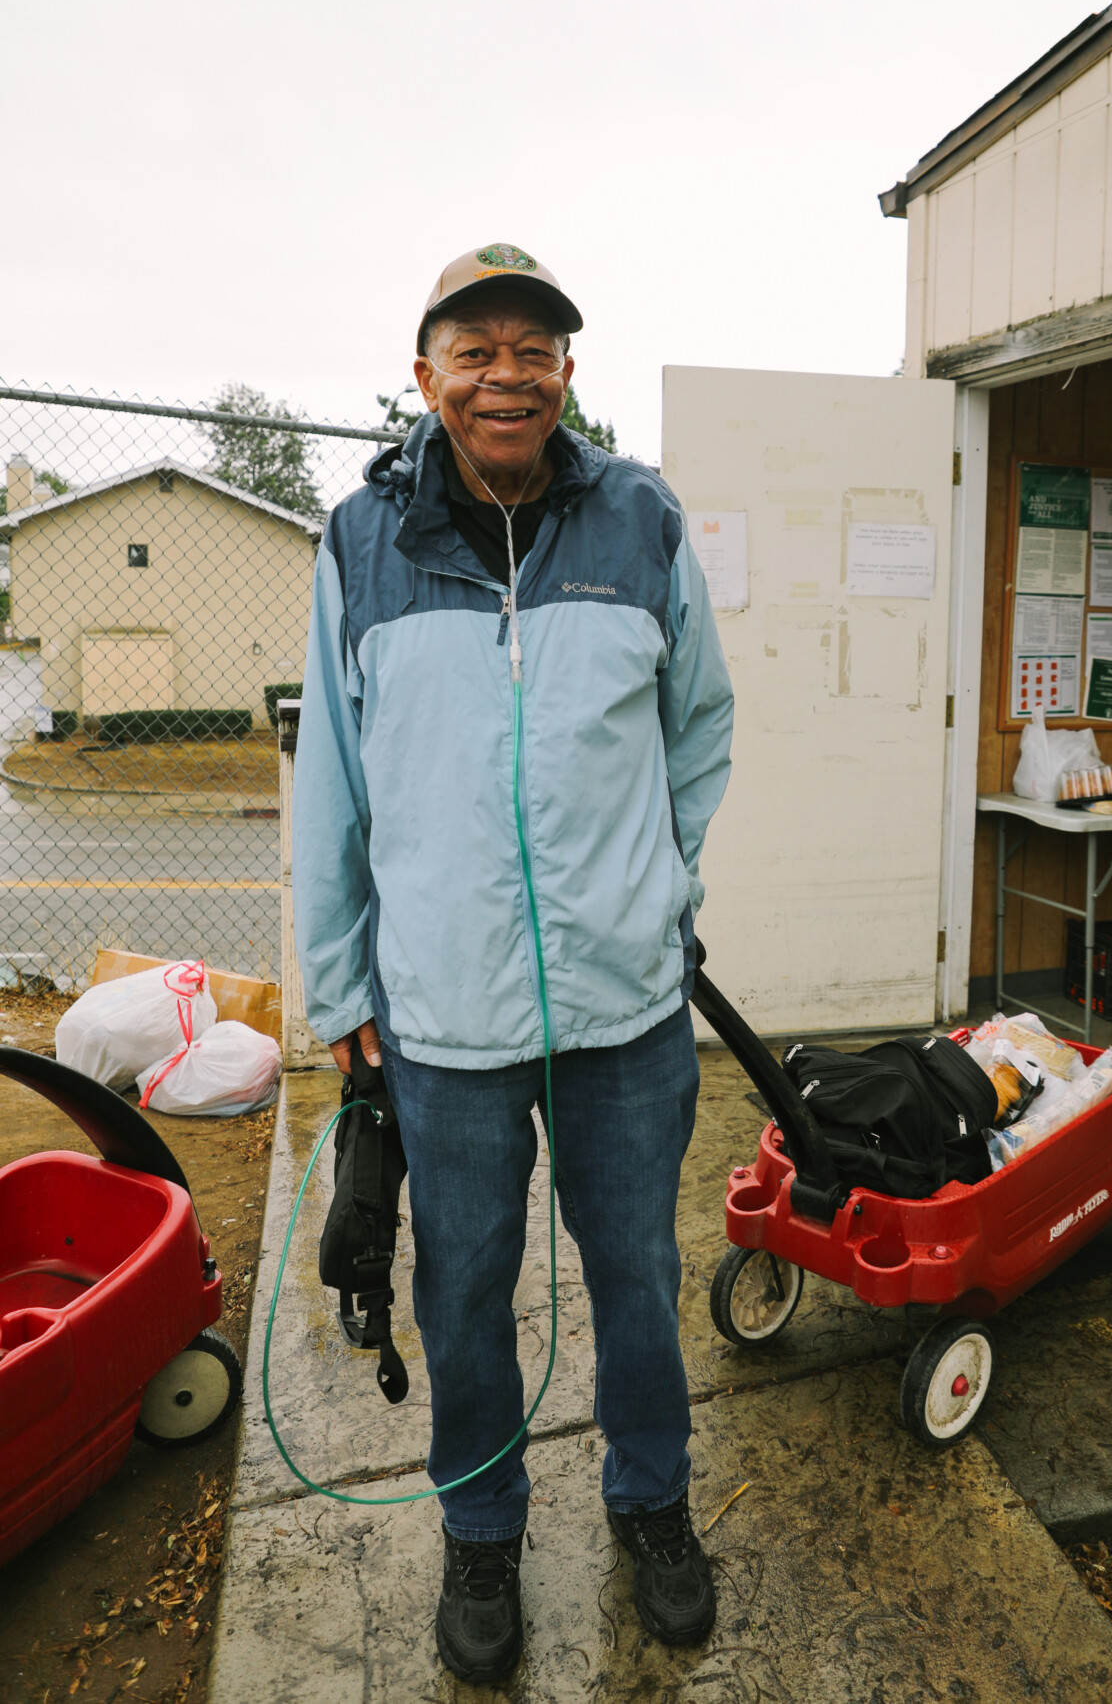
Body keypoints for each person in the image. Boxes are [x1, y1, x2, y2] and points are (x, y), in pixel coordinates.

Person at [292, 243, 735, 1684]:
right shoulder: (361, 543)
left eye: (533, 349)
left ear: (564, 375)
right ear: (425, 377)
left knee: (639, 1279)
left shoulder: (641, 521)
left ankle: (653, 1507)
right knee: (463, 1291)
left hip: (626, 1015)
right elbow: (335, 790)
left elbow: (700, 726)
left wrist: (653, 884)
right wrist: (341, 982)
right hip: (444, 1017)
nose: (507, 373)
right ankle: (482, 1530)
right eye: (474, 349)